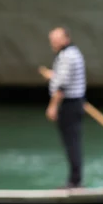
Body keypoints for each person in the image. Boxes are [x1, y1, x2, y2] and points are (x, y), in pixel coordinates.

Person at [39, 26, 87, 188]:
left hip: (69, 105)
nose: (52, 42)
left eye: (55, 39)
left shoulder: (67, 56)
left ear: (65, 39)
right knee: (72, 142)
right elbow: (63, 78)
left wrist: (52, 106)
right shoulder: (71, 53)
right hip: (75, 102)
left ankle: (75, 181)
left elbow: (62, 86)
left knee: (71, 143)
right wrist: (53, 76)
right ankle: (75, 179)